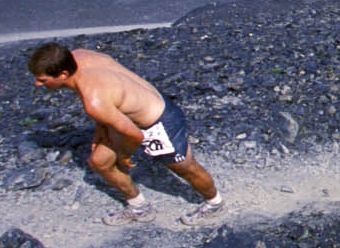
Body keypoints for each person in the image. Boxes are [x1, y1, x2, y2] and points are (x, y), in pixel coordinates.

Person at [28, 42, 223, 216]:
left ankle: (214, 203)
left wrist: (123, 156)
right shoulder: (79, 56)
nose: (37, 84)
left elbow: (134, 135)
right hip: (135, 107)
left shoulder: (93, 101)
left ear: (63, 74)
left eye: (43, 80)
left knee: (186, 169)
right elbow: (108, 104)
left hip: (158, 122)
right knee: (100, 162)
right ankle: (139, 207)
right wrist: (100, 135)